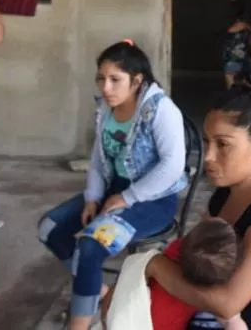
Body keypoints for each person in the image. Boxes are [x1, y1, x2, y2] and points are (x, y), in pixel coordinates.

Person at [146, 61, 251, 329]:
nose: (208, 157)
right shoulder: (226, 191)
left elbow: (227, 304)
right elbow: (194, 256)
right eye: (206, 142)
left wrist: (155, 265)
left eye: (223, 144)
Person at [38, 40, 188, 330]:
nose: (105, 87)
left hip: (152, 200)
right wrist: (93, 197)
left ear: (137, 80)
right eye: (101, 78)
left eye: (115, 79)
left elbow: (172, 166)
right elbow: (97, 158)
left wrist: (129, 197)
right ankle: (100, 293)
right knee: (49, 229)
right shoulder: (107, 109)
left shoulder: (160, 109)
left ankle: (78, 325)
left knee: (91, 246)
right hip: (113, 190)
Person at [103, 217, 248, 330]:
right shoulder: (210, 295)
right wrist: (236, 320)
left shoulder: (174, 252)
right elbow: (233, 323)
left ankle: (103, 292)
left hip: (137, 314)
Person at [221, 0, 251, 88]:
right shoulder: (248, 28)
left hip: (229, 62)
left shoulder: (226, 28)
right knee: (245, 90)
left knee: (231, 90)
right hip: (244, 63)